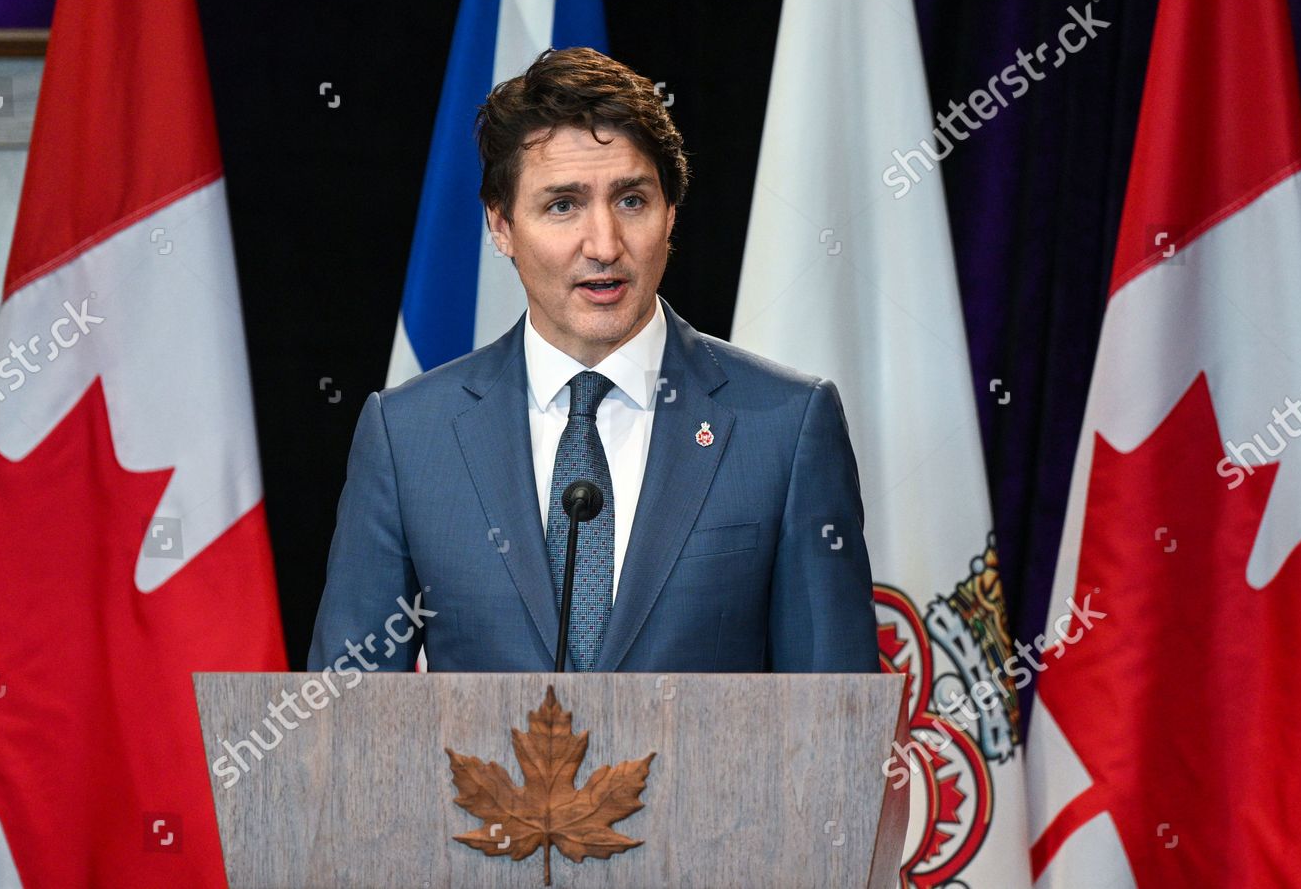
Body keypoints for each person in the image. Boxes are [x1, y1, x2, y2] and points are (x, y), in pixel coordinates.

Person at [307, 47, 877, 674]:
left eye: (632, 200)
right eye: (563, 205)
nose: (604, 245)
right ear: (501, 226)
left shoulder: (785, 426)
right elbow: (347, 721)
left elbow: (837, 727)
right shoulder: (409, 436)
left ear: (670, 215)